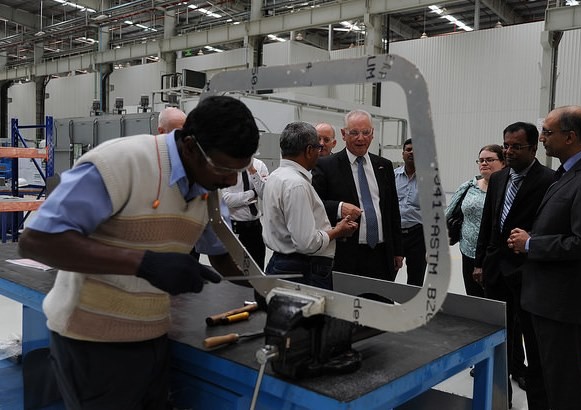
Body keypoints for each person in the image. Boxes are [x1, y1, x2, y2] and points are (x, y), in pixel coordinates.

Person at [17, 96, 260, 409]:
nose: (229, 180)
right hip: (93, 343)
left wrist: (263, 290)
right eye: (224, 169)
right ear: (190, 146)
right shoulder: (121, 163)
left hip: (153, 337)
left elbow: (221, 251)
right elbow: (37, 240)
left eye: (237, 172)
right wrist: (143, 263)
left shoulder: (207, 186)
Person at [510, 106, 581, 410]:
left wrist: (532, 245)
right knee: (541, 381)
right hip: (541, 299)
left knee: (564, 386)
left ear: (570, 137)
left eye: (547, 132)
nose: (541, 138)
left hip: (563, 305)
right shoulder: (567, 174)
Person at [475, 122, 555, 409]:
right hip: (496, 272)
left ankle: (538, 402)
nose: (508, 151)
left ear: (533, 148)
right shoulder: (499, 178)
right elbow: (489, 222)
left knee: (533, 343)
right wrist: (481, 262)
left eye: (516, 146)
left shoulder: (549, 180)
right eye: (506, 145)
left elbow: (551, 226)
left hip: (529, 272)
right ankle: (499, 400)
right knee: (497, 340)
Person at [262, 121, 358, 289]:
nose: (319, 152)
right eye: (317, 148)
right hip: (302, 268)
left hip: (282, 262)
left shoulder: (276, 176)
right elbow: (306, 243)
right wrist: (337, 231)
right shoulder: (296, 185)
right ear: (308, 151)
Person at [312, 109, 403, 281]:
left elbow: (392, 210)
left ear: (372, 134)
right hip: (346, 256)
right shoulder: (326, 166)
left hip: (382, 255)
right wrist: (339, 208)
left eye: (366, 132)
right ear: (343, 134)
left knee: (381, 305)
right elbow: (315, 204)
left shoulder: (384, 166)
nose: (360, 138)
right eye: (354, 133)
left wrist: (397, 250)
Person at [445, 144, 505, 297]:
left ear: (503, 162)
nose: (484, 163)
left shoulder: (508, 188)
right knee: (474, 298)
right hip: (468, 253)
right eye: (481, 160)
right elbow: (447, 214)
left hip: (495, 256)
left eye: (490, 160)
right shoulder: (468, 187)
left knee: (495, 299)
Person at [221, 158, 269, 269]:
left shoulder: (259, 165)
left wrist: (253, 171)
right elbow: (226, 200)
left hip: (255, 226)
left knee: (257, 268)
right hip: (235, 227)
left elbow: (265, 194)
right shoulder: (226, 166)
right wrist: (252, 194)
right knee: (235, 269)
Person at [394, 138, 426, 286]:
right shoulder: (392, 176)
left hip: (418, 235)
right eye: (408, 150)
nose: (412, 153)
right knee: (388, 274)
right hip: (395, 234)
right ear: (403, 154)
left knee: (416, 279)